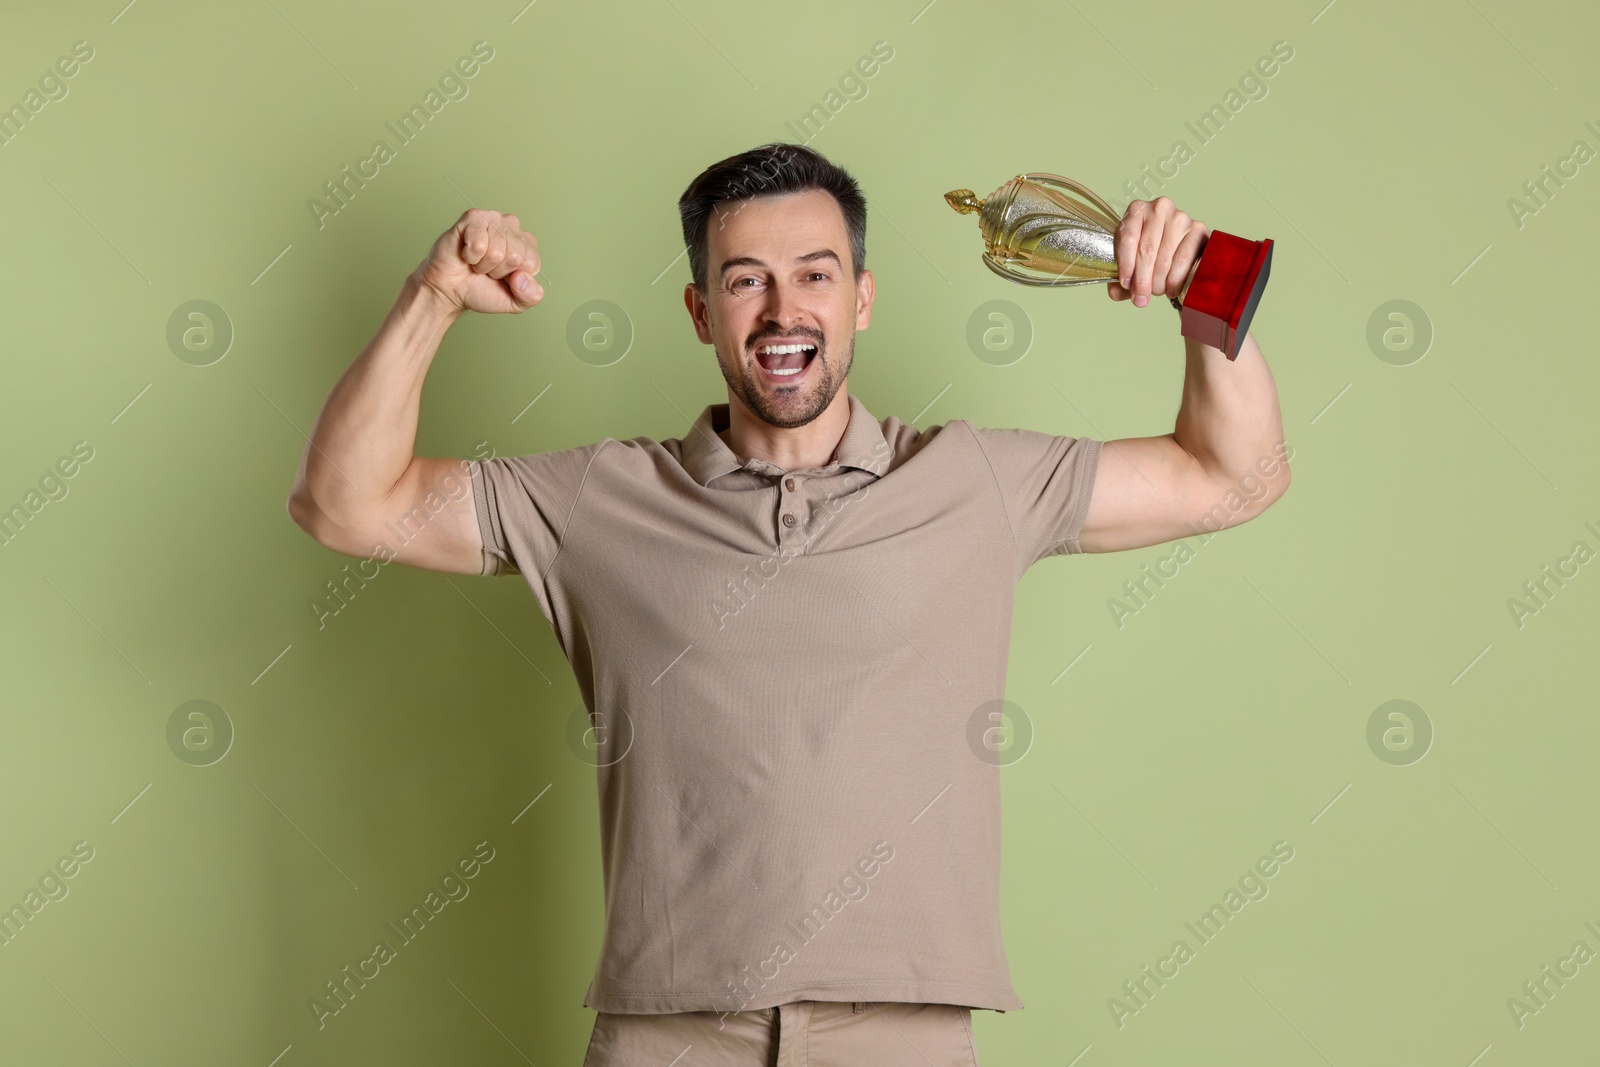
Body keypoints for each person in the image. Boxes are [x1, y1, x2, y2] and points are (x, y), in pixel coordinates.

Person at [286, 142, 1289, 1065]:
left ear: (860, 298)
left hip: (904, 1029)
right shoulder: (599, 501)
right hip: (668, 1034)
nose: (781, 309)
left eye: (814, 273)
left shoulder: (974, 480)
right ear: (698, 312)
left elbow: (1230, 478)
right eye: (743, 280)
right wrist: (434, 299)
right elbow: (343, 504)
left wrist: (1208, 282)